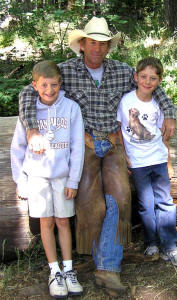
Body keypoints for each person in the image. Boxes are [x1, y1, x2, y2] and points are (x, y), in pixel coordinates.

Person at [18, 17, 176, 296]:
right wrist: (31, 128)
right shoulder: (66, 70)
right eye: (93, 43)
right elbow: (27, 94)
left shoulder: (122, 71)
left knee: (120, 197)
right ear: (82, 44)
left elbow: (151, 85)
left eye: (103, 44)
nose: (98, 49)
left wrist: (170, 114)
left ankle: (107, 269)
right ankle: (88, 258)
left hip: (114, 144)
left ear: (108, 47)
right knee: (90, 200)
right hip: (84, 145)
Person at [11, 61, 85, 298]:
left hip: (63, 178)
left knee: (63, 222)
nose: (50, 90)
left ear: (60, 83)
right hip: (38, 178)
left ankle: (69, 269)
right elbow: (18, 147)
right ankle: (55, 271)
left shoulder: (71, 108)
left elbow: (77, 147)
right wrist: (21, 180)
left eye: (54, 85)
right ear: (35, 85)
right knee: (46, 223)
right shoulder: (29, 110)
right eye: (44, 85)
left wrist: (73, 180)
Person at [117, 57, 177, 267]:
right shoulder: (126, 101)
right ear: (135, 77)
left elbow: (163, 134)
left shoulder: (158, 103)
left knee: (165, 202)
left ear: (159, 81)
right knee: (146, 204)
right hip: (138, 162)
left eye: (153, 78)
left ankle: (170, 245)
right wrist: (123, 154)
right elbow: (120, 129)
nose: (147, 81)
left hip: (157, 158)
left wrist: (168, 160)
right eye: (144, 77)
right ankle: (152, 242)